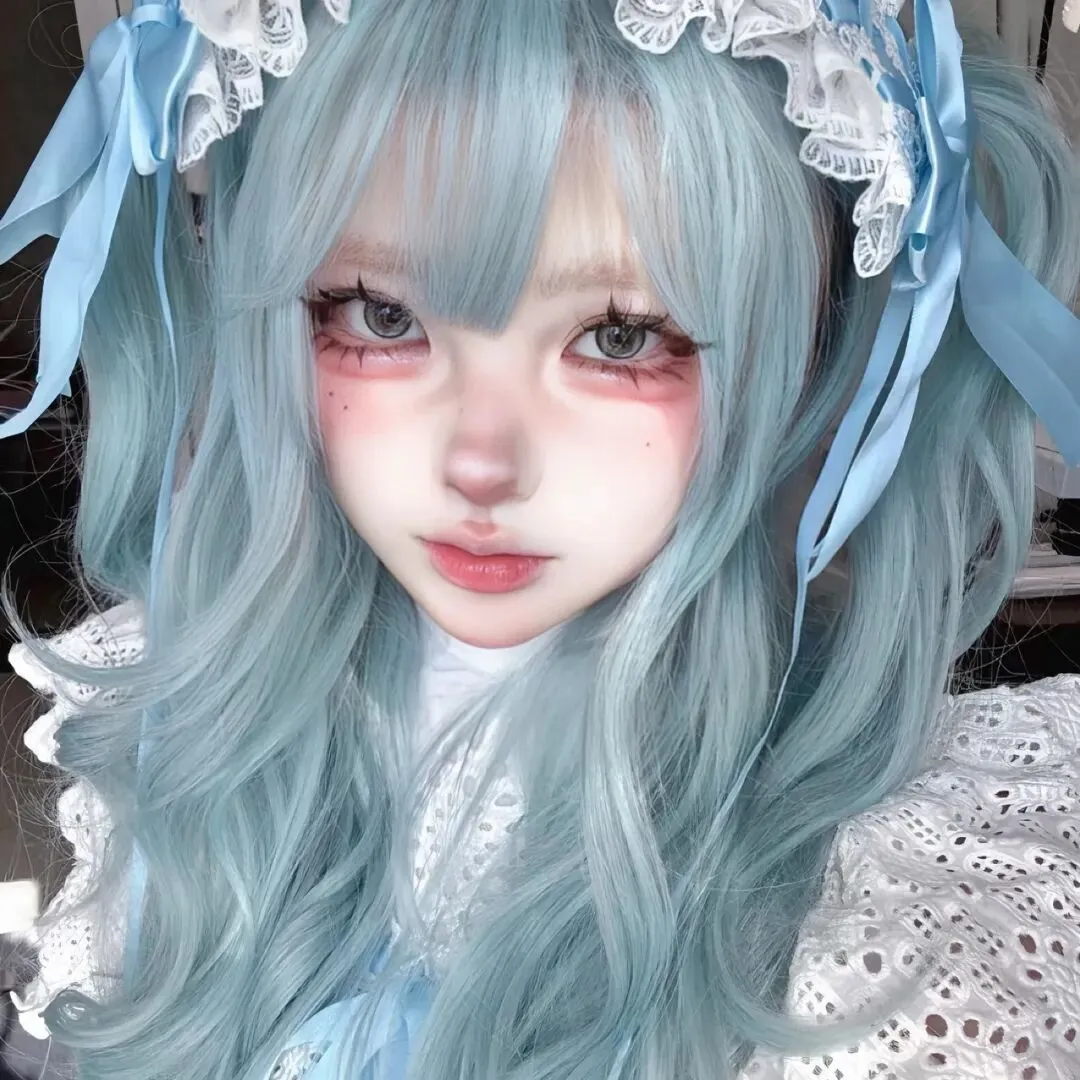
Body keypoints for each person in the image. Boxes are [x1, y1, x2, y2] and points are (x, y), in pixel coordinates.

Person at [2, 1, 1080, 1077]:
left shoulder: (897, 910)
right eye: (380, 315)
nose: (479, 463)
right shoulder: (191, 712)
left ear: (809, 338)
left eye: (619, 337)